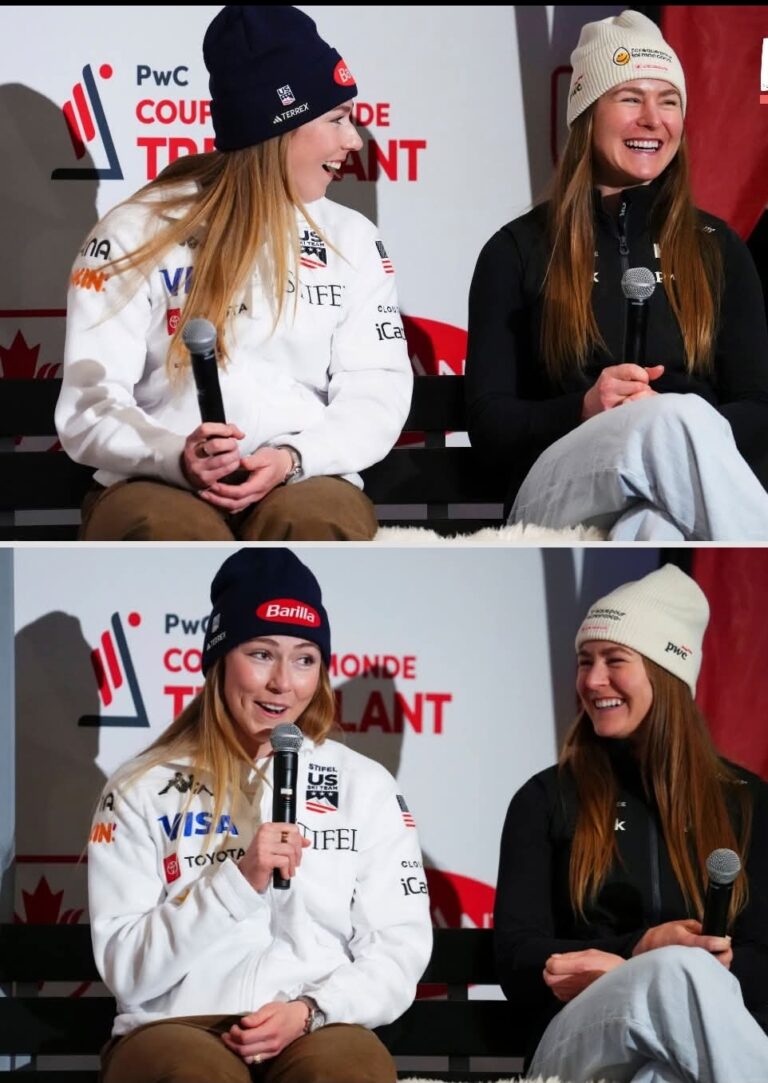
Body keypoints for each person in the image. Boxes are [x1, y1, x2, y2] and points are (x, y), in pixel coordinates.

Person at [55, 6, 413, 541]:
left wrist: (293, 457)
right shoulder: (135, 232)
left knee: (318, 521)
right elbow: (91, 401)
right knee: (166, 529)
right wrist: (176, 456)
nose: (354, 141)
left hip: (305, 476)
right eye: (336, 119)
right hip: (154, 481)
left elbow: (376, 388)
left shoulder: (354, 238)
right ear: (280, 125)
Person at [87, 547, 432, 1083]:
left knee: (347, 1072)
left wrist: (313, 1010)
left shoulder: (366, 786)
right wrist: (238, 882)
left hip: (316, 1023)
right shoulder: (142, 786)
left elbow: (397, 948)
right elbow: (127, 970)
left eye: (304, 659)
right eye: (262, 654)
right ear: (220, 659)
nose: (283, 683)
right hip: (175, 1026)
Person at [465, 9, 768, 541]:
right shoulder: (517, 249)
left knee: (655, 526)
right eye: (630, 98)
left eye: (668, 101)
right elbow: (489, 424)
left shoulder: (718, 247)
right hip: (553, 493)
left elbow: (760, 407)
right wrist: (584, 408)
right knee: (670, 420)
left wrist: (676, 422)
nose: (653, 119)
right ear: (586, 115)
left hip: (679, 483)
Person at [494, 564, 768, 1083]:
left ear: (667, 673)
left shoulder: (747, 801)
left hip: (701, 1046)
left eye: (614, 660)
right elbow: (516, 957)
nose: (592, 681)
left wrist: (713, 967)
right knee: (676, 969)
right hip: (575, 1047)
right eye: (585, 662)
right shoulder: (545, 798)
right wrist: (641, 954)